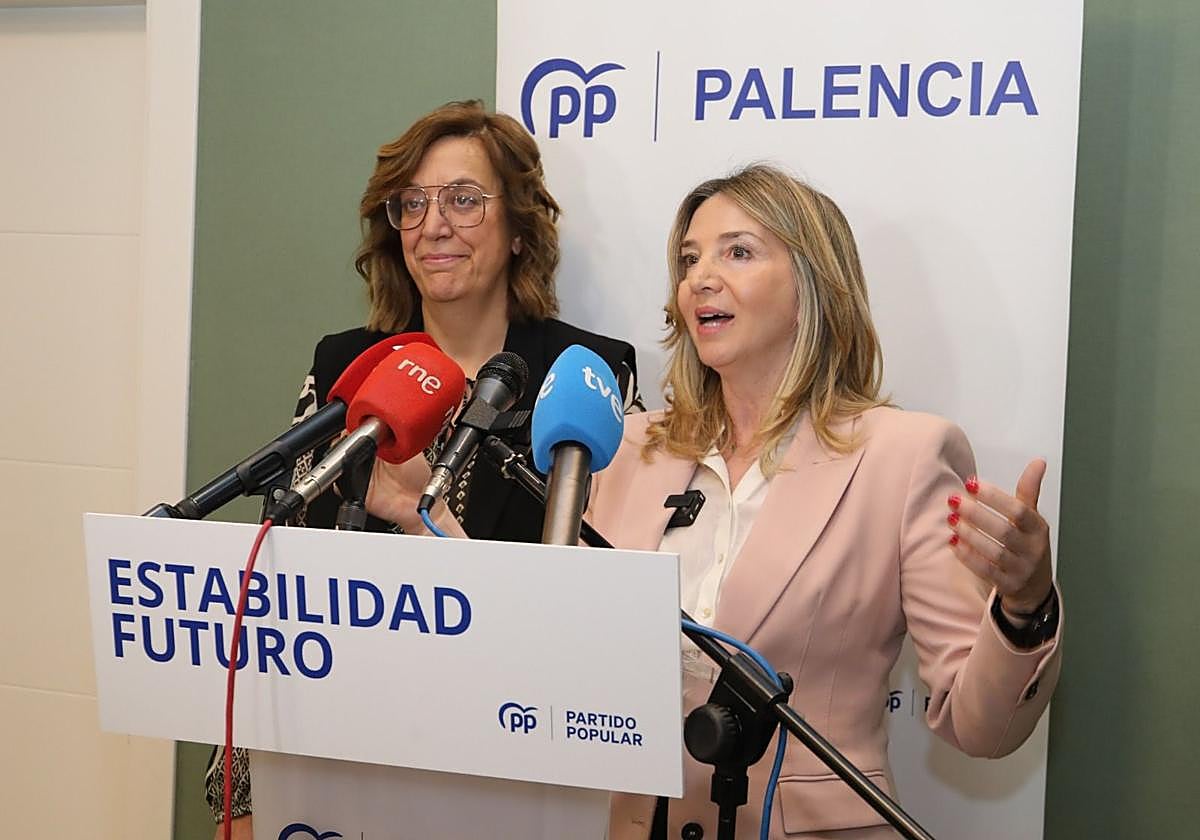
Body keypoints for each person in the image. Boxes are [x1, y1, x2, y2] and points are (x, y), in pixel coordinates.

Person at [372, 164, 1063, 839]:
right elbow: (544, 651)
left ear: (813, 286)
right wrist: (421, 518)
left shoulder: (903, 457)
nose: (701, 276)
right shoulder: (631, 446)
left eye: (739, 252)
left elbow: (981, 726)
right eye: (690, 257)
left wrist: (1024, 606)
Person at [205, 99, 640, 837]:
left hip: (511, 772)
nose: (434, 225)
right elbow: (285, 590)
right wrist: (242, 795)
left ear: (519, 229)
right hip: (341, 770)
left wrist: (424, 517)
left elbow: (588, 620)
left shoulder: (589, 374)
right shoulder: (345, 365)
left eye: (465, 200)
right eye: (413, 203)